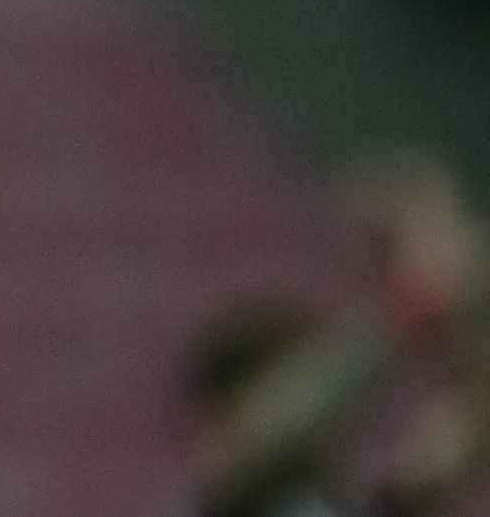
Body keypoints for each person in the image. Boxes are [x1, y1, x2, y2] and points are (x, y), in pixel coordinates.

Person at [170, 157, 490, 517]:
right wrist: (412, 307)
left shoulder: (339, 500)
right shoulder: (227, 492)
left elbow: (454, 449)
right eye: (294, 369)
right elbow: (278, 427)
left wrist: (459, 314)